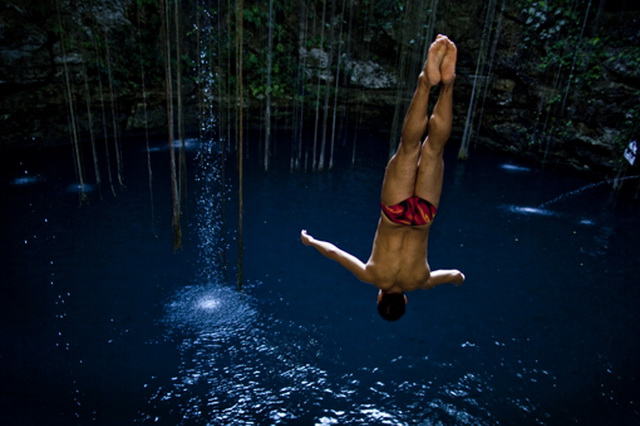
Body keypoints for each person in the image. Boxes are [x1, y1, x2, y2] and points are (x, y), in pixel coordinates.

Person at [300, 34, 465, 321]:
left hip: (423, 216)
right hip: (395, 211)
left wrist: (457, 280)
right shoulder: (370, 275)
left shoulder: (420, 282)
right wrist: (310, 241)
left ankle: (448, 86)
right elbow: (334, 253)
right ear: (379, 296)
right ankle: (426, 83)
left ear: (406, 301)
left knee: (435, 150)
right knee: (409, 146)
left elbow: (455, 275)